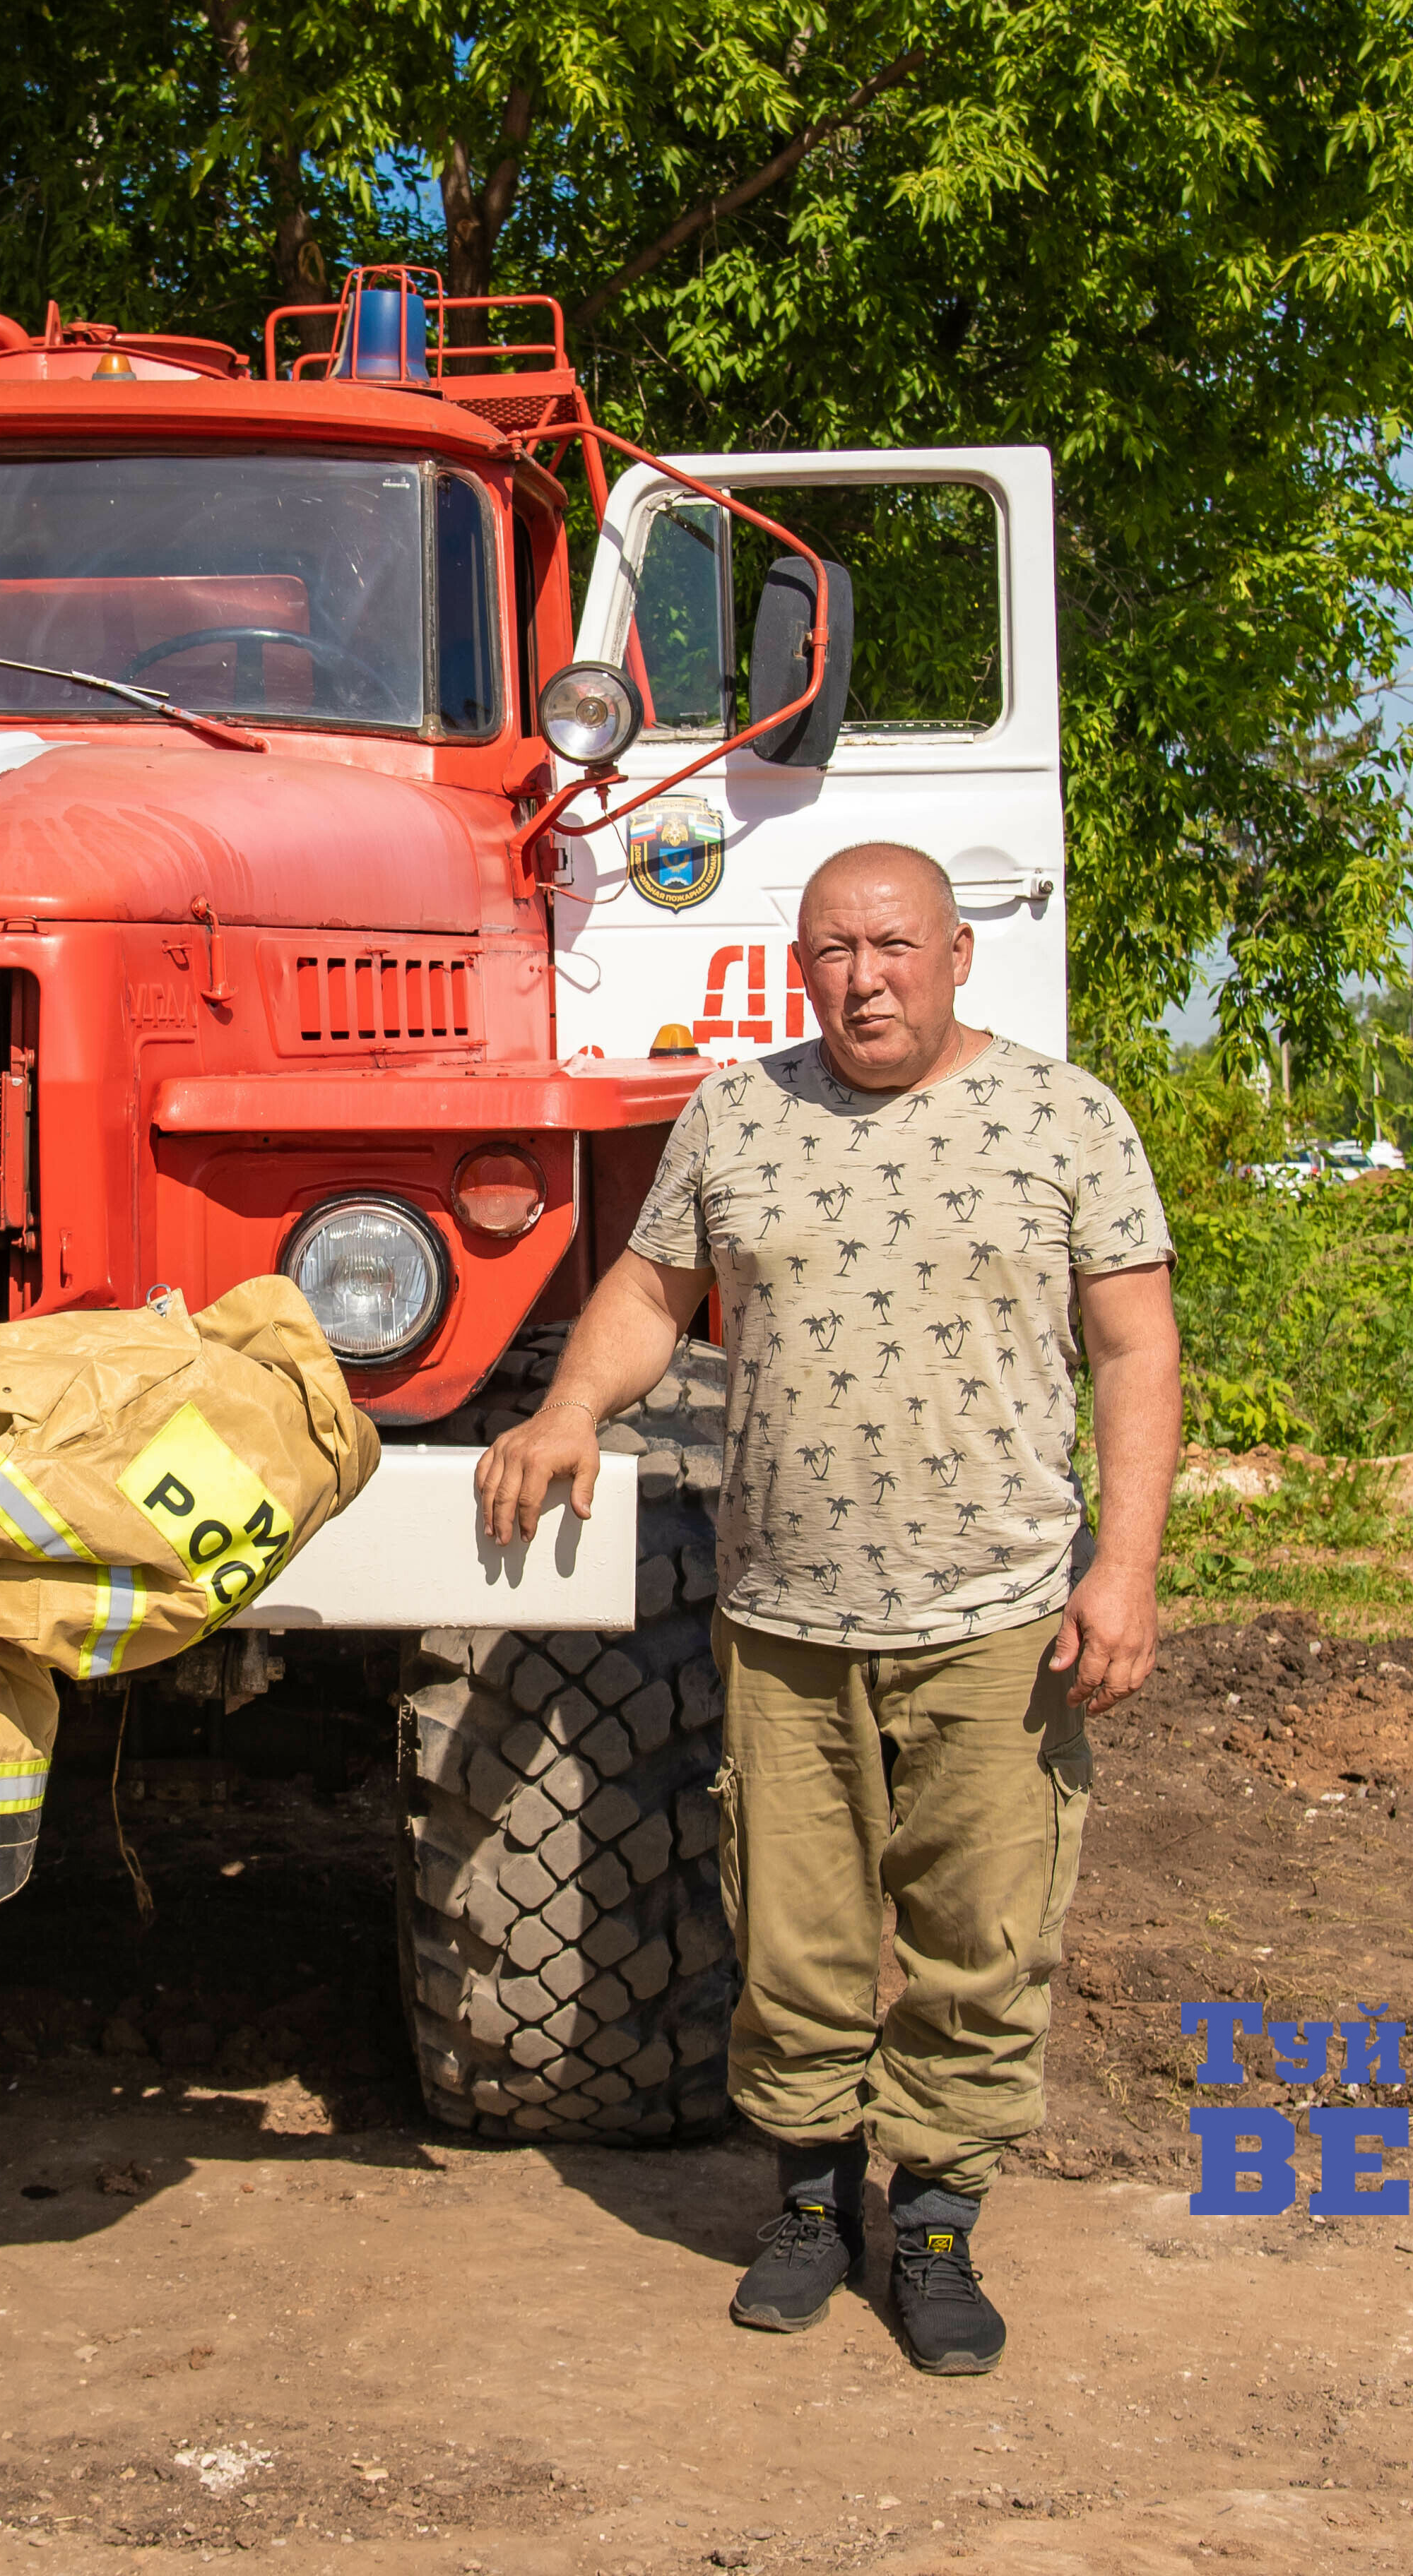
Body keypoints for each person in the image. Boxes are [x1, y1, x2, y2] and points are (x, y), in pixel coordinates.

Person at [474, 841, 1180, 2377]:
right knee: (792, 1945)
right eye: (833, 953)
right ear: (801, 968)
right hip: (785, 1620)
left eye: (892, 946)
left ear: (955, 954)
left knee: (980, 1942)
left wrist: (1122, 1566)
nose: (863, 981)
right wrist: (571, 1408)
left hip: (998, 1616)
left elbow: (1135, 1348)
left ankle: (932, 2226)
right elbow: (648, 1294)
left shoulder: (1064, 1117)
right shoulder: (735, 1114)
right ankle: (805, 2208)